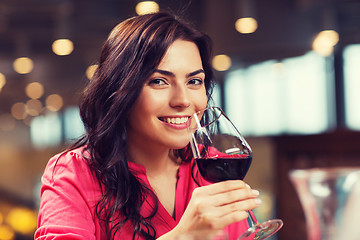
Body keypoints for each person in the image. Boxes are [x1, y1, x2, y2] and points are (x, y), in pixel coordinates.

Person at [35, 11, 261, 240]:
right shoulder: (73, 174)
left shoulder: (213, 166)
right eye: (159, 81)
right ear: (119, 90)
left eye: (194, 81)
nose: (183, 100)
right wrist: (182, 236)